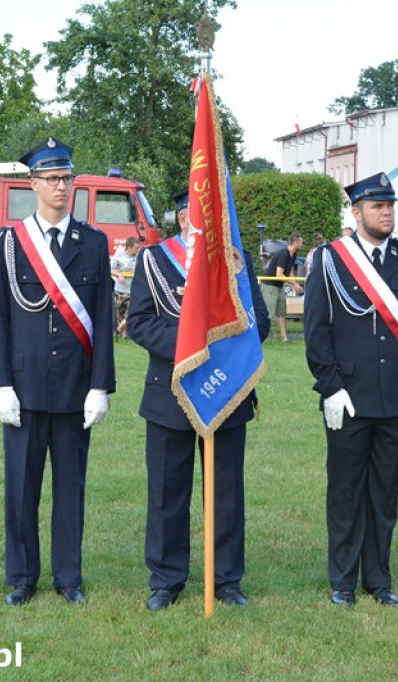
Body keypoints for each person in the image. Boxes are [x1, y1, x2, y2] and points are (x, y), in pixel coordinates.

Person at [0, 137, 116, 606]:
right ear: (34, 184)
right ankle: (22, 576)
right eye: (53, 179)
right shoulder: (11, 244)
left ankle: (68, 577)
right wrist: (0, 384)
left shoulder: (94, 243)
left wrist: (100, 386)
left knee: (70, 488)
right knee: (21, 488)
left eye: (68, 178)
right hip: (23, 385)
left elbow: (103, 321)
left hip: (74, 388)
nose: (63, 186)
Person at [126, 189, 270, 612]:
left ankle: (226, 580)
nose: (200, 222)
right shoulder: (154, 260)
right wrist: (192, 347)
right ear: (183, 216)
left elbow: (258, 321)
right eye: (193, 214)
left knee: (225, 492)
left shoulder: (237, 264)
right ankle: (166, 580)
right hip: (170, 391)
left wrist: (221, 355)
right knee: (167, 492)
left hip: (227, 390)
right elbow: (139, 323)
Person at [304, 172, 398, 607]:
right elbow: (317, 331)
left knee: (384, 494)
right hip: (349, 398)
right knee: (345, 491)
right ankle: (342, 579)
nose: (387, 212)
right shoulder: (329, 260)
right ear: (356, 212)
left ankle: (378, 579)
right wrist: (330, 387)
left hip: (397, 400)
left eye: (390, 205)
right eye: (378, 206)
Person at [262, 233, 303, 343]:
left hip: (279, 286)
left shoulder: (293, 255)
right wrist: (294, 284)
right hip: (270, 286)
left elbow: (289, 272)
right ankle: (262, 338)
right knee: (268, 314)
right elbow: (279, 274)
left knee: (282, 313)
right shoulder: (284, 254)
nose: (302, 244)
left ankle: (285, 338)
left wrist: (296, 285)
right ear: (295, 243)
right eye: (301, 242)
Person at [110, 237, 139, 337]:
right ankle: (122, 334)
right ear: (129, 247)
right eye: (136, 248)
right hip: (120, 290)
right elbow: (110, 269)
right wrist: (119, 275)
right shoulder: (119, 255)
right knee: (120, 312)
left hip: (133, 290)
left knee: (130, 312)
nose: (137, 250)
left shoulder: (138, 256)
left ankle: (128, 333)